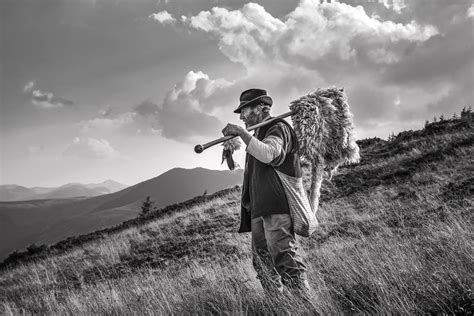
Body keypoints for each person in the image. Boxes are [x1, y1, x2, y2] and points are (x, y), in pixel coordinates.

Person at [222, 88, 312, 301]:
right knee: (262, 261)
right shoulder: (258, 134)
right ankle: (277, 306)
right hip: (259, 209)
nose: (242, 116)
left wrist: (242, 133)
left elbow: (270, 155)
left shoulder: (278, 127)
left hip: (276, 207)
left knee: (284, 256)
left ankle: (305, 307)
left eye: (245, 110)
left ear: (262, 107)